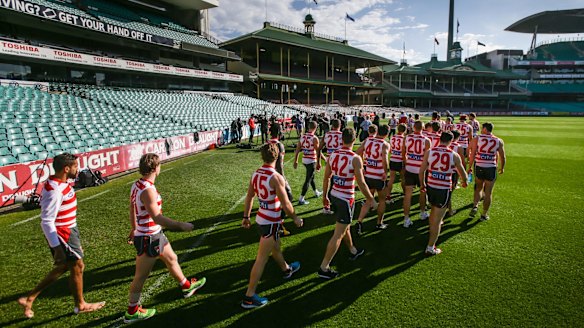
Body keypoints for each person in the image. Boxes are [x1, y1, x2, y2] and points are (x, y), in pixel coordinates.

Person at [18, 153, 106, 319]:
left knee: (65, 267)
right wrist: (57, 247)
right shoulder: (55, 190)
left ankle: (29, 299)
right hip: (63, 233)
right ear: (66, 169)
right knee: (77, 266)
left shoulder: (58, 183)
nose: (77, 169)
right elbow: (46, 221)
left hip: (68, 230)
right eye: (75, 166)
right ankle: (80, 305)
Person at [124, 153, 206, 323]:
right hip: (149, 237)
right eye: (159, 165)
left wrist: (133, 228)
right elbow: (157, 218)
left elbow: (132, 209)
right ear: (155, 168)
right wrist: (181, 225)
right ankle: (132, 311)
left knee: (172, 258)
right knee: (140, 276)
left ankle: (186, 286)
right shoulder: (148, 190)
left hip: (153, 234)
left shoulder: (137, 185)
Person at [241, 143, 304, 308]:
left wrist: (246, 216)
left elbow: (249, 197)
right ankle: (249, 296)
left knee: (275, 247)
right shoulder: (276, 177)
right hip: (271, 222)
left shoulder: (256, 173)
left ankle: (286, 269)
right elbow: (286, 204)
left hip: (262, 218)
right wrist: (295, 218)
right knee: (261, 259)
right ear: (278, 156)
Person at [319, 128, 373, 279]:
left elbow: (326, 178)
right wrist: (371, 199)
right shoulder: (355, 158)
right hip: (345, 198)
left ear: (341, 139)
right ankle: (324, 267)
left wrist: (324, 196)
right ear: (354, 140)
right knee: (338, 233)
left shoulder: (333, 154)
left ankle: (353, 250)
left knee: (344, 226)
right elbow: (361, 183)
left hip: (334, 195)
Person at [419, 131, 468, 255]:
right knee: (438, 219)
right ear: (451, 141)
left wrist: (422, 184)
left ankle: (431, 236)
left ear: (440, 139)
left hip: (430, 187)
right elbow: (463, 174)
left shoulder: (429, 152)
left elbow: (421, 171)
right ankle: (430, 247)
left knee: (433, 213)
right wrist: (464, 182)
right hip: (443, 189)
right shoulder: (453, 154)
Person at [355, 124, 391, 234]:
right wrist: (386, 172)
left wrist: (363, 166)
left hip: (368, 174)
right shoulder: (385, 144)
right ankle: (379, 223)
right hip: (379, 176)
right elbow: (384, 159)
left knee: (368, 200)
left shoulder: (367, 141)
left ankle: (359, 221)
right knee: (381, 200)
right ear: (387, 134)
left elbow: (357, 153)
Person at [468, 122, 506, 221]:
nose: (481, 129)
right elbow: (502, 156)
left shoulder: (477, 138)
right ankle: (484, 214)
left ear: (485, 129)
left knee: (478, 188)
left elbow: (472, 154)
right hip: (491, 167)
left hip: (479, 165)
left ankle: (475, 206)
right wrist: (502, 167)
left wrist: (470, 166)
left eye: (482, 128)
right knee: (488, 192)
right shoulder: (498, 140)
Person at [402, 121, 431, 228]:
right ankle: (423, 213)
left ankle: (406, 218)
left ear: (413, 127)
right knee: (422, 192)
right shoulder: (426, 140)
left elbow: (403, 153)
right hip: (421, 170)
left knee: (408, 195)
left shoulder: (407, 138)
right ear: (423, 128)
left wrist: (406, 164)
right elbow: (428, 157)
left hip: (410, 168)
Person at [268, 123, 293, 236]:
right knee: (289, 196)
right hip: (277, 176)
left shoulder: (267, 144)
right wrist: (284, 180)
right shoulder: (279, 145)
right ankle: (279, 224)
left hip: (267, 175)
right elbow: (279, 166)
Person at [294, 121, 323, 205]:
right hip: (311, 160)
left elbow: (298, 149)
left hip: (304, 159)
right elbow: (318, 151)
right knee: (308, 179)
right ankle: (301, 198)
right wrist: (319, 163)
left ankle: (316, 192)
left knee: (311, 177)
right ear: (316, 127)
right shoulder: (314, 138)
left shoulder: (303, 136)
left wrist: (296, 160)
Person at [318, 119, 343, 214]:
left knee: (328, 181)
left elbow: (319, 149)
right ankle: (334, 203)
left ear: (332, 125)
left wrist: (318, 162)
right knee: (337, 183)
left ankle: (327, 203)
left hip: (330, 160)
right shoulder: (341, 135)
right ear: (340, 125)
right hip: (340, 161)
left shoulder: (327, 134)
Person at [386, 123, 407, 204]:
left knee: (391, 179)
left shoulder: (392, 137)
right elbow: (404, 151)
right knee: (403, 178)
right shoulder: (404, 138)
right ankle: (405, 193)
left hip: (393, 159)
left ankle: (388, 196)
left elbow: (390, 149)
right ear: (405, 130)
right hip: (400, 160)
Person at [447, 130, 466, 216]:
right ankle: (449, 210)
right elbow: (462, 161)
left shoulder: (444, 144)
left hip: (443, 170)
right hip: (453, 171)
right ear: (458, 137)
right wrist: (464, 172)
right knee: (450, 191)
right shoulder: (459, 147)